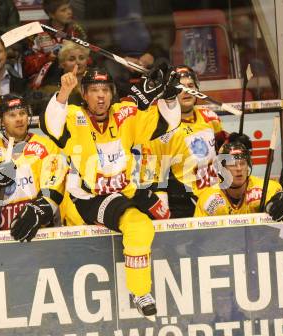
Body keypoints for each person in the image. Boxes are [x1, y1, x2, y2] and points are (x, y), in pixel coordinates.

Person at [39, 63, 182, 317]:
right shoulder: (74, 116)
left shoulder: (125, 112)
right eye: (94, 90)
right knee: (138, 225)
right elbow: (50, 124)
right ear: (84, 94)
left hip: (126, 190)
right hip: (91, 198)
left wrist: (169, 97)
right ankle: (140, 291)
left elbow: (166, 123)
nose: (100, 95)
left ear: (113, 92)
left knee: (162, 217)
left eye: (105, 89)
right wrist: (63, 92)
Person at [0, 94, 66, 237]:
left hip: (41, 232)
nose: (19, 118)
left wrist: (37, 212)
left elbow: (53, 188)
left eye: (22, 113)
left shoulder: (46, 146)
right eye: (12, 115)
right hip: (2, 236)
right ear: (1, 120)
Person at [141, 65, 228, 218]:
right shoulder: (161, 129)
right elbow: (153, 174)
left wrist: (233, 143)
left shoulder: (210, 116)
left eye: (190, 86)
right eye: (180, 87)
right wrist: (164, 214)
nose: (186, 91)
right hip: (185, 202)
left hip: (216, 192)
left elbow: (222, 149)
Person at [194, 139, 283, 219]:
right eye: (233, 164)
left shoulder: (267, 189)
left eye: (242, 163)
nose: (239, 168)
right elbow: (200, 235)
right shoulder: (207, 199)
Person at [23, 0, 86, 88]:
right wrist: (47, 58)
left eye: (69, 8)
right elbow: (28, 67)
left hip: (75, 79)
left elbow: (89, 59)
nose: (69, 12)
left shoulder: (76, 32)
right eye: (63, 10)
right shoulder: (38, 34)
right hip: (46, 82)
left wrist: (73, 54)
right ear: (51, 15)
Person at [32, 40, 89, 114]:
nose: (77, 62)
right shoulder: (51, 87)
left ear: (86, 61)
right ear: (62, 64)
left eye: (81, 58)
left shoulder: (96, 80)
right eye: (71, 59)